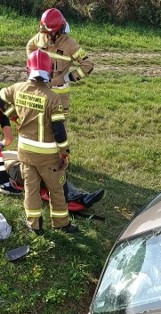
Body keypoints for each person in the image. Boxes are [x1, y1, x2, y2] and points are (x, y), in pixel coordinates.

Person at [23, 8, 103, 206]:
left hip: (59, 95)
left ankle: (59, 163)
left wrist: (69, 77)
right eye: (44, 32)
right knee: (40, 126)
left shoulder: (70, 44)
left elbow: (88, 65)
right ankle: (44, 161)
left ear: (58, 30)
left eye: (50, 32)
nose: (46, 36)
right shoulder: (40, 37)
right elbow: (30, 47)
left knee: (59, 129)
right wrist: (34, 69)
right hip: (42, 91)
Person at [0, 50, 77, 235]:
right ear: (49, 71)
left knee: (30, 189)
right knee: (56, 189)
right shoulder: (52, 98)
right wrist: (64, 152)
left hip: (25, 151)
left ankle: (35, 226)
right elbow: (58, 130)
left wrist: (14, 116)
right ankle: (61, 224)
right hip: (48, 156)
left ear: (28, 69)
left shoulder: (17, 88)